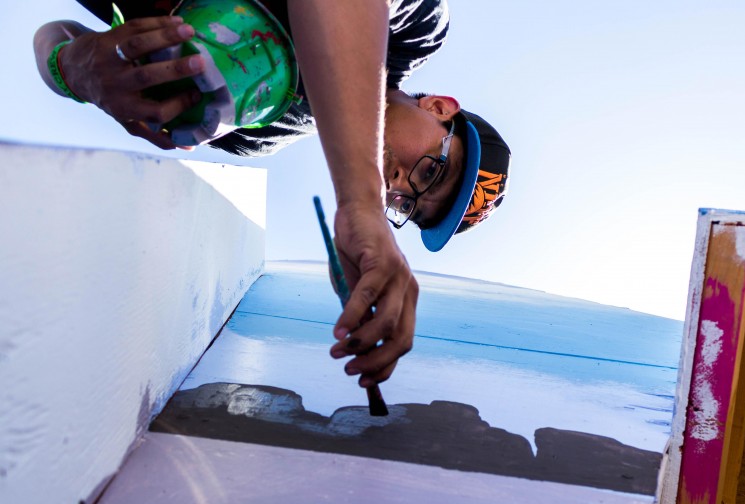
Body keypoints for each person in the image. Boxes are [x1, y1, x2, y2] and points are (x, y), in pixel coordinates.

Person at [33, 0, 510, 388]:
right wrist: (360, 198)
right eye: (431, 173)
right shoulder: (416, 26)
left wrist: (75, 69)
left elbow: (56, 35)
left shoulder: (258, 131)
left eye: (404, 205)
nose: (398, 185)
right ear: (440, 107)